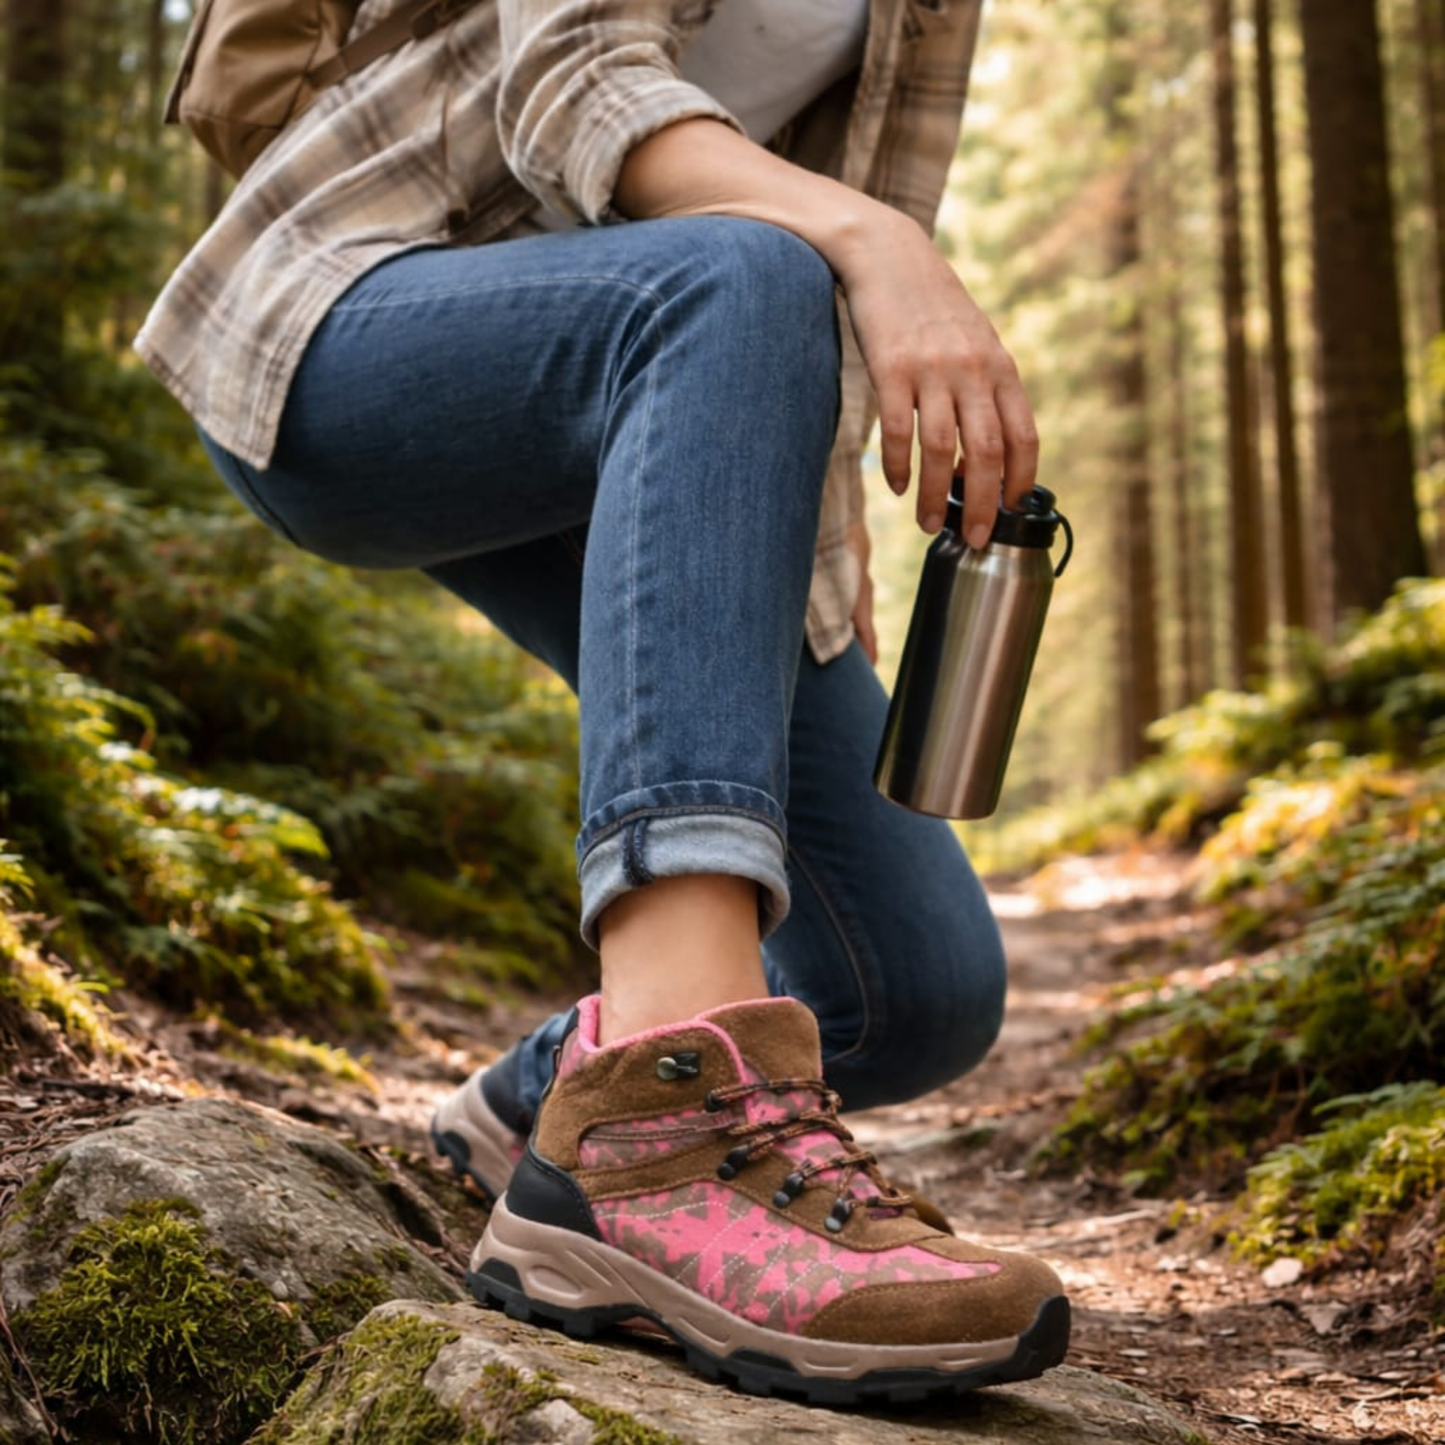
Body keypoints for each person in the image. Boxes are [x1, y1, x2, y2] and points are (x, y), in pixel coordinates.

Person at [137, 0, 1067, 1405]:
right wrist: (881, 242)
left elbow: (816, 277)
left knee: (914, 985)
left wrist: (820, 556)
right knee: (745, 272)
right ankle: (663, 1134)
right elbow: (571, 83)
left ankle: (548, 1112)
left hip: (676, 391)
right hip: (345, 317)